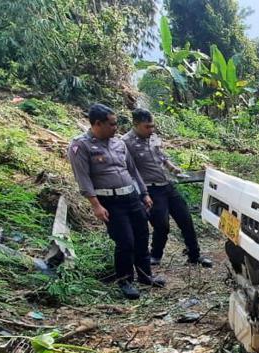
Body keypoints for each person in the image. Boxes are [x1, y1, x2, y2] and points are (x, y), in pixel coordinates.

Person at [67, 104, 165, 299]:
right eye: (112, 124)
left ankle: (146, 276)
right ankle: (126, 280)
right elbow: (83, 178)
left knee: (142, 236)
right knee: (125, 241)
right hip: (110, 201)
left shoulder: (119, 143)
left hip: (131, 196)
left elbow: (132, 170)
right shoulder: (81, 146)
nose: (116, 128)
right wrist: (96, 205)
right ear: (97, 124)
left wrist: (144, 194)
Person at [123, 109, 213, 268]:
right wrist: (141, 194)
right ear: (135, 124)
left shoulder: (153, 137)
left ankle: (194, 255)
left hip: (167, 185)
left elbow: (161, 155)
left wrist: (172, 168)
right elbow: (128, 171)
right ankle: (156, 255)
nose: (151, 130)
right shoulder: (126, 143)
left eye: (153, 126)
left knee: (186, 219)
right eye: (147, 127)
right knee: (161, 225)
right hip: (150, 189)